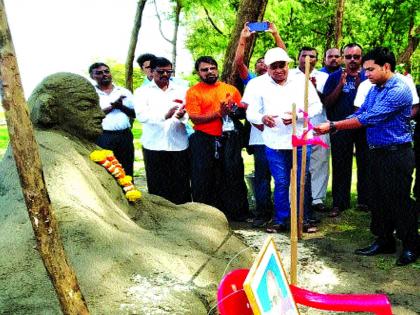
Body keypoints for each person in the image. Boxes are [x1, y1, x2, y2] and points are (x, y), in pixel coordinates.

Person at [314, 47, 419, 266]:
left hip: (397, 154)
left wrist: (333, 125)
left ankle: (411, 245)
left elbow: (370, 117)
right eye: (366, 70)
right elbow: (361, 113)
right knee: (377, 199)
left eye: (371, 69)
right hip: (376, 152)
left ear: (386, 67)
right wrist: (338, 124)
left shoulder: (399, 88)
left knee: (399, 200)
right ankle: (384, 240)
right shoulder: (375, 88)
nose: (367, 74)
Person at [243, 47, 322, 233]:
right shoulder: (257, 84)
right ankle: (281, 219)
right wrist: (262, 118)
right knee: (281, 181)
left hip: (300, 139)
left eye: (282, 65)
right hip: (274, 141)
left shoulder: (301, 80)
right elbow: (250, 112)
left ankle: (304, 218)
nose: (279, 70)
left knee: (302, 180)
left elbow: (317, 106)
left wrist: (299, 116)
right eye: (274, 66)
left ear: (288, 64)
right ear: (267, 68)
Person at [234, 21, 285, 227]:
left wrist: (275, 34)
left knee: (283, 178)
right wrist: (243, 39)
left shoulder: (285, 80)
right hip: (260, 137)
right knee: (263, 176)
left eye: (269, 62)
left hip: (282, 136)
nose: (265, 65)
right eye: (261, 62)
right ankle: (263, 212)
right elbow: (238, 63)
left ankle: (284, 213)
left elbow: (282, 56)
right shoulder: (253, 82)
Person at [185, 56, 249, 221]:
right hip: (203, 138)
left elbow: (242, 113)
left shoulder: (230, 89)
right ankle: (205, 215)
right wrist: (219, 113)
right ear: (198, 73)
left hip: (228, 138)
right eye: (204, 70)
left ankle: (236, 213)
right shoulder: (193, 91)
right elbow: (195, 118)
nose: (209, 72)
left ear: (217, 69)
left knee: (232, 174)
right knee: (203, 177)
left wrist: (233, 111)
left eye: (212, 68)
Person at [134, 57, 191, 204]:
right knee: (157, 185)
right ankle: (160, 218)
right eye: (161, 72)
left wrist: (181, 116)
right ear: (151, 72)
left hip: (178, 143)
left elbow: (189, 112)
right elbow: (141, 115)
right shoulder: (142, 92)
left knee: (181, 184)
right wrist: (164, 116)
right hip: (154, 145)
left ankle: (183, 218)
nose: (165, 75)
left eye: (169, 71)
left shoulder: (182, 90)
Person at [323, 43, 370, 216]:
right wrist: (340, 86)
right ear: (343, 57)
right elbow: (327, 104)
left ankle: (365, 200)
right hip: (340, 126)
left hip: (363, 126)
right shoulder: (334, 77)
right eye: (348, 56)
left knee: (366, 163)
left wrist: (359, 85)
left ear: (361, 58)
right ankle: (339, 202)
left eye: (356, 57)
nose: (352, 60)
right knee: (340, 164)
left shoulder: (368, 76)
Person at [289, 47, 330, 213]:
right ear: (298, 57)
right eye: (304, 55)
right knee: (296, 161)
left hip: (319, 123)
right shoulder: (290, 75)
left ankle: (317, 198)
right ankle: (295, 198)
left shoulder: (324, 77)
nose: (307, 59)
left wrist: (315, 90)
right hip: (297, 123)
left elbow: (328, 100)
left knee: (320, 160)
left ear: (317, 59)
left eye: (311, 56)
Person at [89, 62, 136, 176]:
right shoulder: (91, 93)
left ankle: (129, 192)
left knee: (126, 169)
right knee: (107, 170)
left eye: (106, 71)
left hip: (124, 136)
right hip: (103, 137)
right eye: (99, 73)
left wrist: (121, 106)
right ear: (92, 76)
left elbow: (134, 114)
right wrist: (112, 107)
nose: (104, 74)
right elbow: (91, 115)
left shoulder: (123, 92)